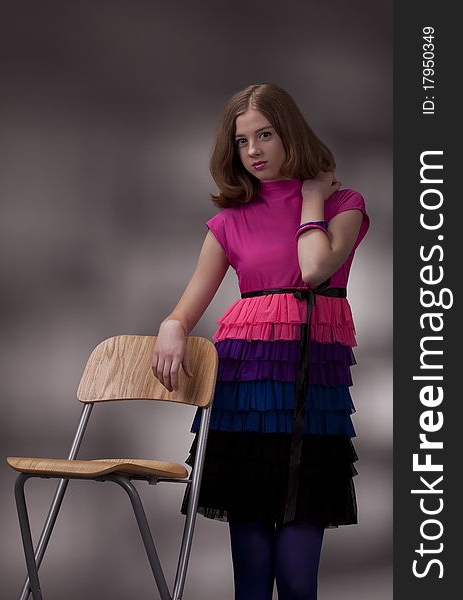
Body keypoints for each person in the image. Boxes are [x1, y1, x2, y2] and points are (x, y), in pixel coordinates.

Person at [152, 82, 370, 600]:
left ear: (289, 132)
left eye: (265, 135)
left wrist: (311, 195)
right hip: (245, 393)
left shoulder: (345, 202)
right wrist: (171, 326)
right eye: (242, 141)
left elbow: (314, 268)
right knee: (250, 577)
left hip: (313, 397)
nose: (253, 151)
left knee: (296, 578)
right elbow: (187, 307)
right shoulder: (229, 221)